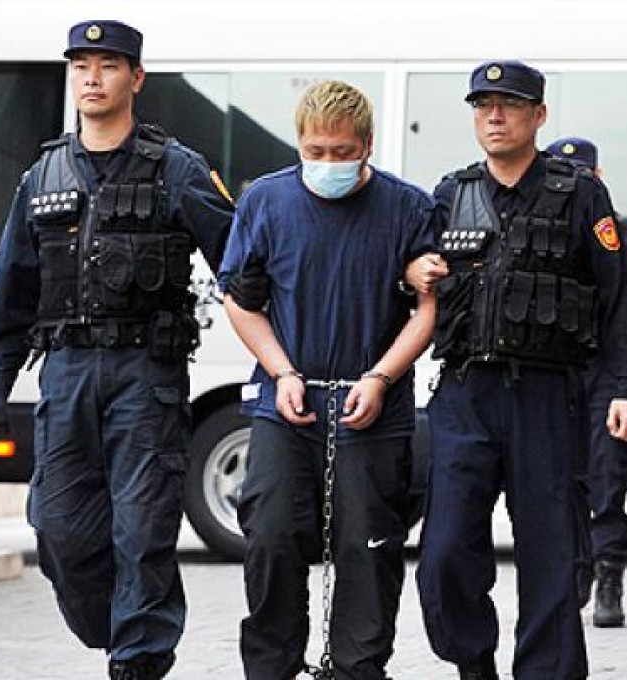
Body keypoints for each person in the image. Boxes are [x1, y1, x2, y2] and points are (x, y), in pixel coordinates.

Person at [0, 20, 234, 679]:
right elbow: (13, 289)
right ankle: (117, 630)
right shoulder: (44, 175)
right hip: (64, 373)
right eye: (81, 65)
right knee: (58, 528)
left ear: (136, 78)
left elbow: (240, 261)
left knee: (143, 532)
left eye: (108, 65)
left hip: (146, 374)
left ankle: (138, 660)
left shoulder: (178, 169)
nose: (92, 76)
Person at [408, 61, 627, 680]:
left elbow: (616, 295)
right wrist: (414, 274)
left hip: (546, 396)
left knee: (551, 555)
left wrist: (626, 388)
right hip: (464, 393)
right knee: (442, 554)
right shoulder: (450, 194)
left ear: (538, 115)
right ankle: (472, 664)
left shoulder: (579, 194)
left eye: (509, 104)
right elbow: (415, 279)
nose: (494, 115)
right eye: (483, 105)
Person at [219, 79, 437, 680]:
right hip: (285, 404)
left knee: (367, 549)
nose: (328, 164)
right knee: (270, 538)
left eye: (342, 153)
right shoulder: (264, 201)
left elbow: (428, 308)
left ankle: (358, 669)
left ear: (366, 145)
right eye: (315, 153)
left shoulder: (409, 208)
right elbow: (240, 299)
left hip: (373, 408)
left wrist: (382, 377)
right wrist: (280, 370)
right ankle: (269, 667)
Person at [545, 136, 627, 628]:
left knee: (608, 474)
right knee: (564, 478)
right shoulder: (539, 229)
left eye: (583, 174)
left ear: (598, 178)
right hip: (557, 369)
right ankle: (575, 567)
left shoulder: (625, 236)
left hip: (608, 368)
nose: (573, 182)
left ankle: (609, 571)